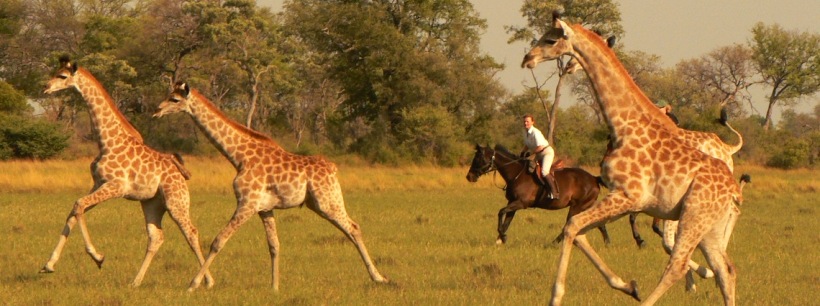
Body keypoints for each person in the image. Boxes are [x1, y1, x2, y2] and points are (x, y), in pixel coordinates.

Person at [522, 114, 558, 199]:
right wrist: (522, 153)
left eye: (527, 121)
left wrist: (531, 154)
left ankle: (554, 192)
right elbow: (527, 145)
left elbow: (540, 147)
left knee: (544, 172)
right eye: (524, 121)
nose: (525, 123)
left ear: (532, 122)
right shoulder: (525, 132)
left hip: (546, 152)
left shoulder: (535, 132)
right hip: (538, 153)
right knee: (528, 166)